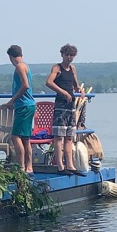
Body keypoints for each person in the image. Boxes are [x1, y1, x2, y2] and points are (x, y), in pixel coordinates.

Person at [45, 44, 82, 174]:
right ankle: (60, 166)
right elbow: (49, 82)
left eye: (72, 55)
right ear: (62, 55)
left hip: (71, 106)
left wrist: (79, 90)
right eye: (67, 55)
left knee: (69, 137)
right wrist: (63, 92)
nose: (69, 57)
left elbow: (75, 84)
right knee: (59, 136)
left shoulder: (72, 68)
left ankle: (70, 165)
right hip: (61, 105)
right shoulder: (57, 67)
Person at [6, 44, 35, 174]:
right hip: (28, 105)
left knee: (15, 137)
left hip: (23, 105)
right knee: (25, 138)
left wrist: (12, 100)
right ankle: (29, 167)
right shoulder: (26, 66)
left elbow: (25, 85)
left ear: (11, 57)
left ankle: (22, 166)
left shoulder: (19, 66)